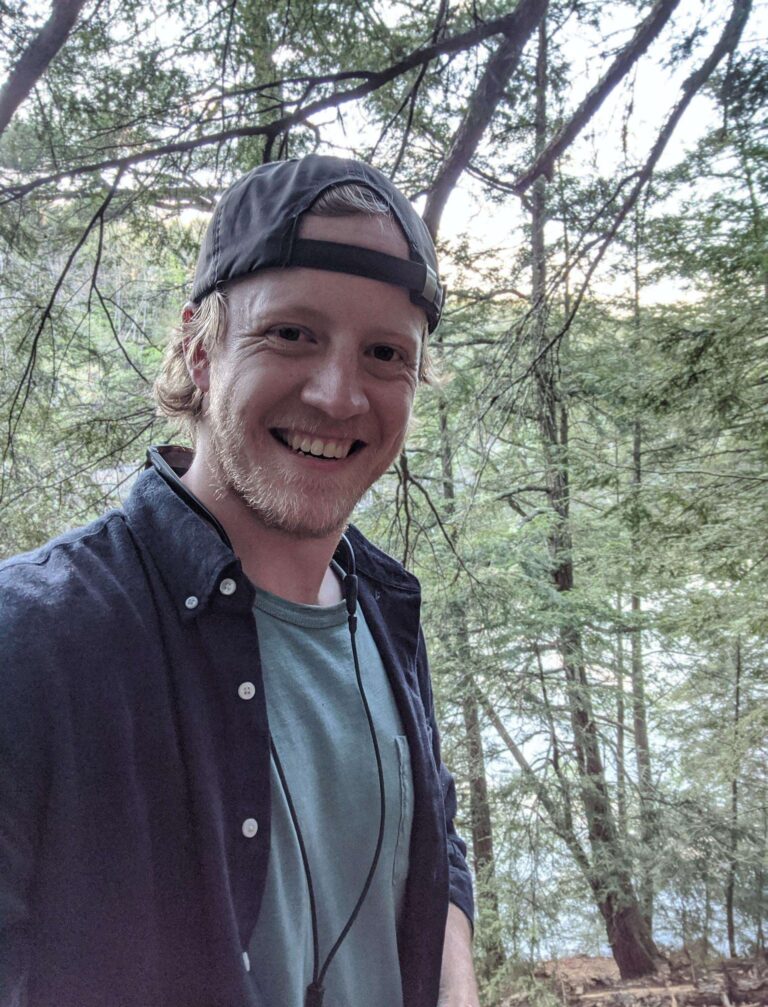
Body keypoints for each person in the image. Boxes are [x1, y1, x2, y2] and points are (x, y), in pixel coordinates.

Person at [0, 155, 478, 1007]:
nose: (338, 395)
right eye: (292, 334)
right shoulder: (32, 640)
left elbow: (434, 843)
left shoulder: (388, 613)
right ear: (198, 347)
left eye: (383, 354)